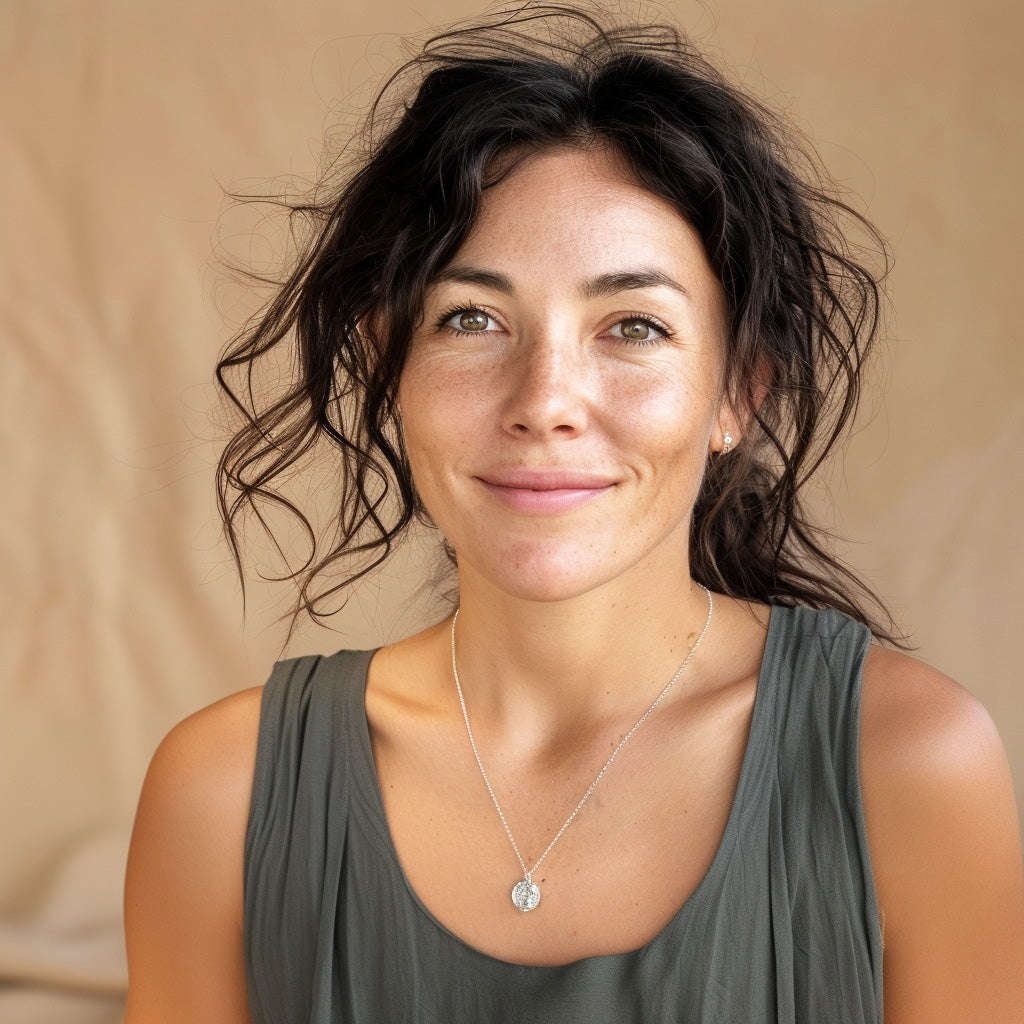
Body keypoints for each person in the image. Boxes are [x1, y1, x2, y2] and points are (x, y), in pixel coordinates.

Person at [122, 4, 1024, 1021]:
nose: (545, 400)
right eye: (471, 319)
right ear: (391, 368)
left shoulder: (909, 761)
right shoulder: (223, 794)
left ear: (740, 393)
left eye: (631, 326)